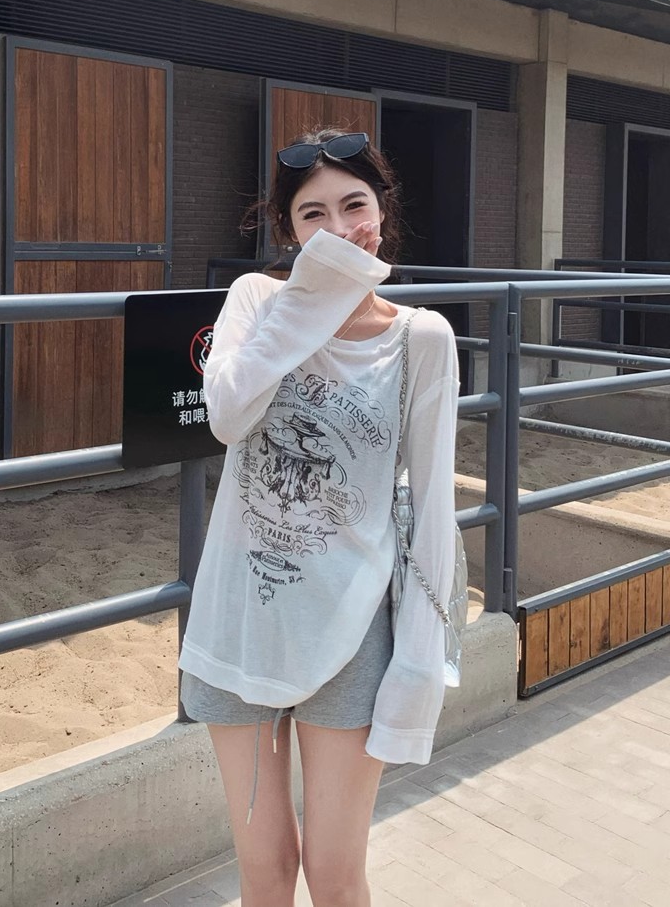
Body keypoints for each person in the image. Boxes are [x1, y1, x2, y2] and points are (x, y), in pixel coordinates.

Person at [179, 128, 460, 907]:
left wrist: (418, 670)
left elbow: (433, 511)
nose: (337, 229)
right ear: (288, 231)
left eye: (353, 205)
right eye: (313, 215)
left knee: (335, 878)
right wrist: (315, 294)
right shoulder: (257, 302)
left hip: (352, 632)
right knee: (265, 870)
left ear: (383, 213)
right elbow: (228, 415)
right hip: (240, 622)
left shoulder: (421, 338)